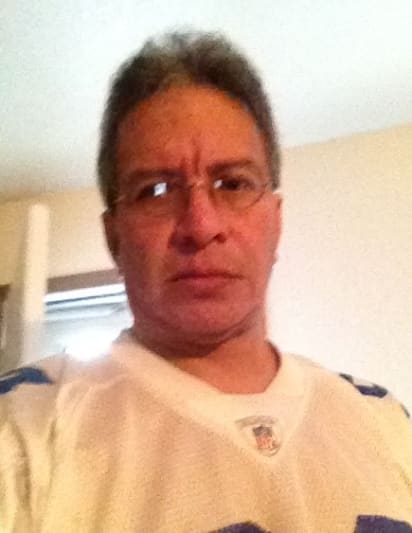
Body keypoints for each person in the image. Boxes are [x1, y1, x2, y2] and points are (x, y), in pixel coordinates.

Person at [0, 31, 411, 533]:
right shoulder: (20, 430)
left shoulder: (386, 422)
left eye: (233, 183)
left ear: (275, 220)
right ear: (114, 236)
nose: (201, 225)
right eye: (156, 190)